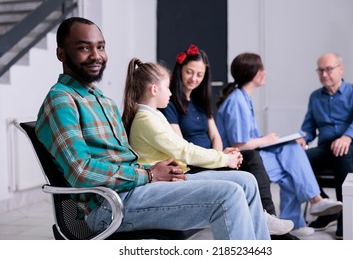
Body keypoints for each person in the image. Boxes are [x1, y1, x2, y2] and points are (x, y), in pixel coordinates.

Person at [35, 17, 270, 240]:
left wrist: (155, 171)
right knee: (228, 195)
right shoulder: (61, 100)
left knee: (246, 181)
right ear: (61, 53)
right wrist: (148, 175)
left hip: (137, 189)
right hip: (110, 206)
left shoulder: (102, 100)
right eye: (84, 48)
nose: (96, 55)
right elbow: (81, 172)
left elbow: (123, 160)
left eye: (101, 47)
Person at [121, 57, 276, 240]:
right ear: (154, 89)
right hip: (164, 183)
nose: (170, 93)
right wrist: (224, 159)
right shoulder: (145, 120)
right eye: (168, 87)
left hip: (178, 176)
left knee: (247, 180)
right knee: (233, 190)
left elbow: (183, 148)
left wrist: (219, 154)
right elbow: (184, 151)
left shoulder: (155, 116)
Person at [159, 44, 296, 240]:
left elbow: (215, 136)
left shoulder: (200, 102)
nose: (194, 78)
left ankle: (268, 218)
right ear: (180, 70)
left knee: (250, 156)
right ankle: (271, 226)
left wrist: (220, 155)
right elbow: (181, 146)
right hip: (193, 164)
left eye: (199, 74)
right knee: (247, 166)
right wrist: (217, 159)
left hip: (212, 159)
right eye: (189, 72)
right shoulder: (170, 104)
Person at [216, 52, 343, 238]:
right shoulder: (237, 101)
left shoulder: (243, 98)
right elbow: (239, 144)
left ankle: (298, 220)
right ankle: (315, 200)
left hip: (250, 156)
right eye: (261, 68)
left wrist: (266, 139)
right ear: (253, 73)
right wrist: (266, 140)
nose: (265, 72)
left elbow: (247, 138)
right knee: (290, 161)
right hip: (239, 160)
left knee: (290, 163)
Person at [296, 52, 353, 240]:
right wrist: (301, 139)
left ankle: (345, 216)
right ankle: (327, 208)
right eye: (320, 70)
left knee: (341, 153)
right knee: (298, 159)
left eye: (328, 69)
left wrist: (347, 137)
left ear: (340, 69)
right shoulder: (315, 97)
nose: (324, 74)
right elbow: (308, 128)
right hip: (327, 147)